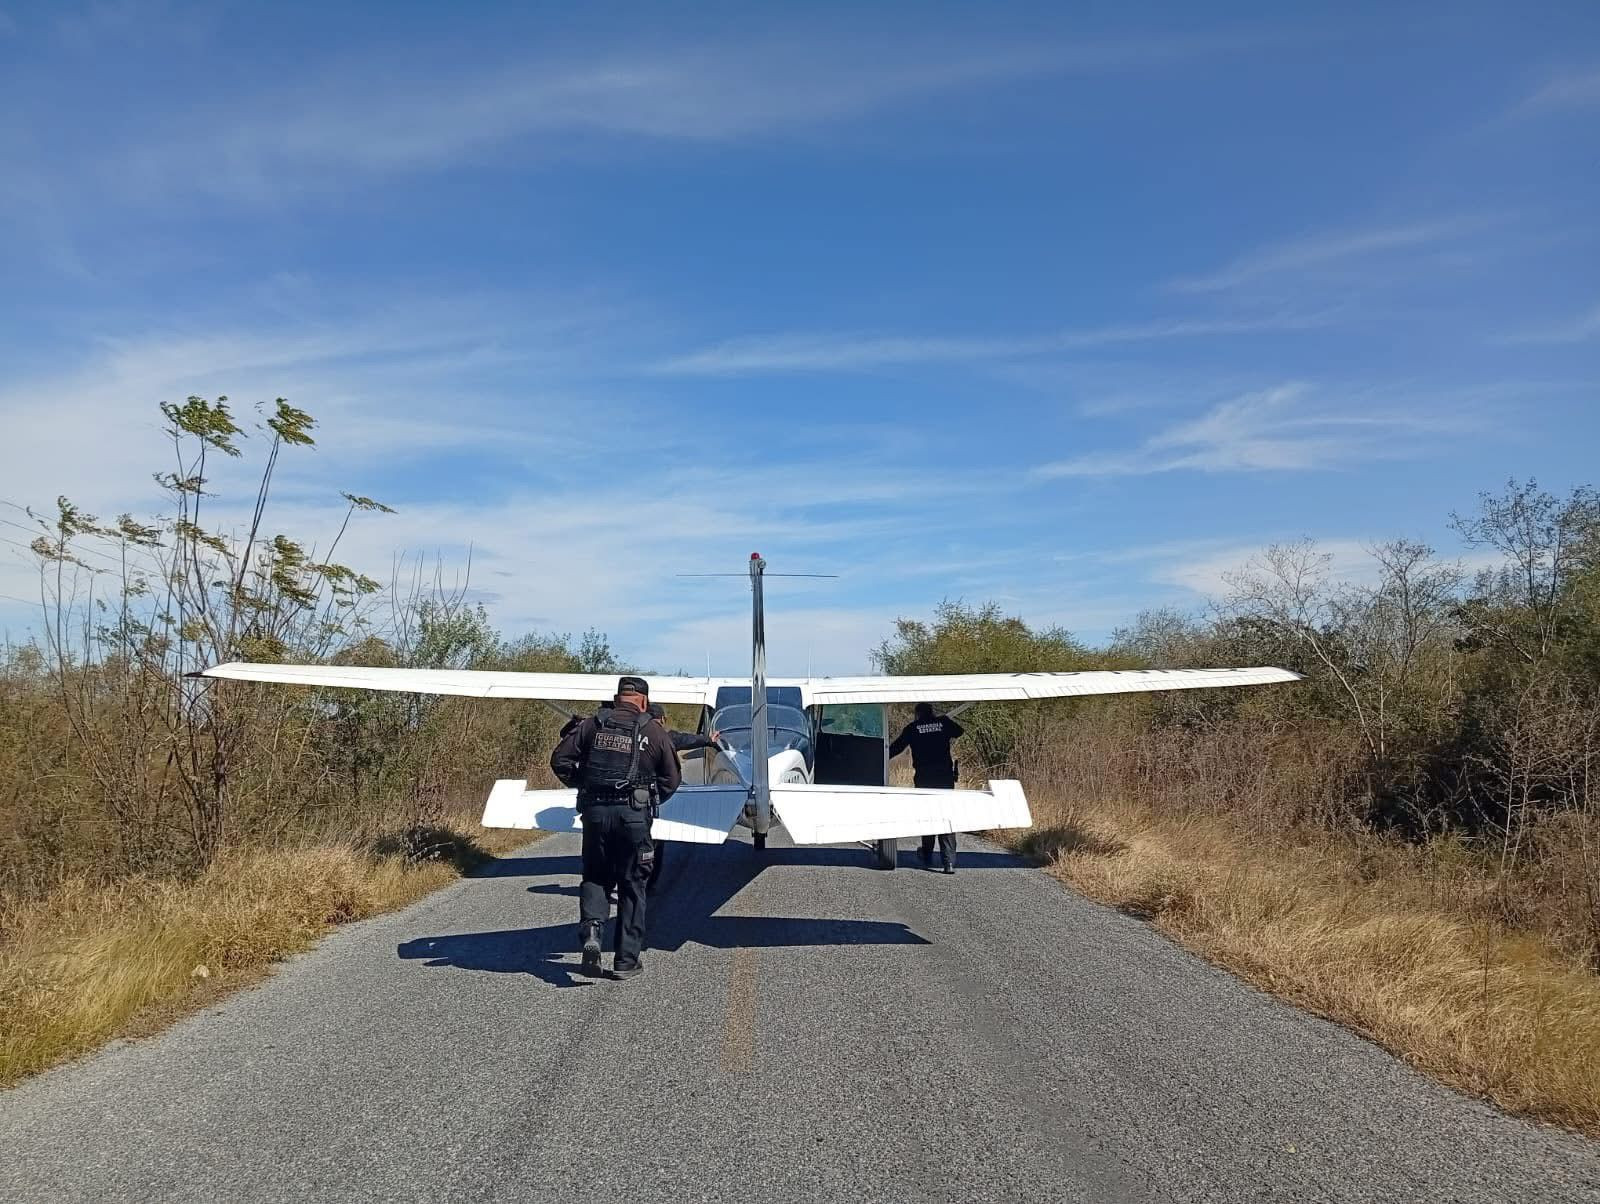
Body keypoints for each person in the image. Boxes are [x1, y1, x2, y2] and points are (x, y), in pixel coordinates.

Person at [550, 676, 680, 979]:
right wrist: (648, 797)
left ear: (616, 698)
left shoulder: (592, 725)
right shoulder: (653, 731)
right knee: (633, 885)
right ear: (645, 702)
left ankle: (593, 932)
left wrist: (585, 785)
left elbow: (560, 760)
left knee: (596, 876)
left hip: (595, 813)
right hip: (633, 817)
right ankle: (625, 961)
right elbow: (672, 779)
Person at [888, 702, 965, 874]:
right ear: (932, 712)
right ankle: (949, 862)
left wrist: (880, 757)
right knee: (945, 816)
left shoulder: (913, 728)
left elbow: (896, 748)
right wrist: (942, 722)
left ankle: (927, 854)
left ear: (917, 714)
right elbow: (959, 732)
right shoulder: (944, 723)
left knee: (929, 815)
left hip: (924, 777)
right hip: (945, 777)